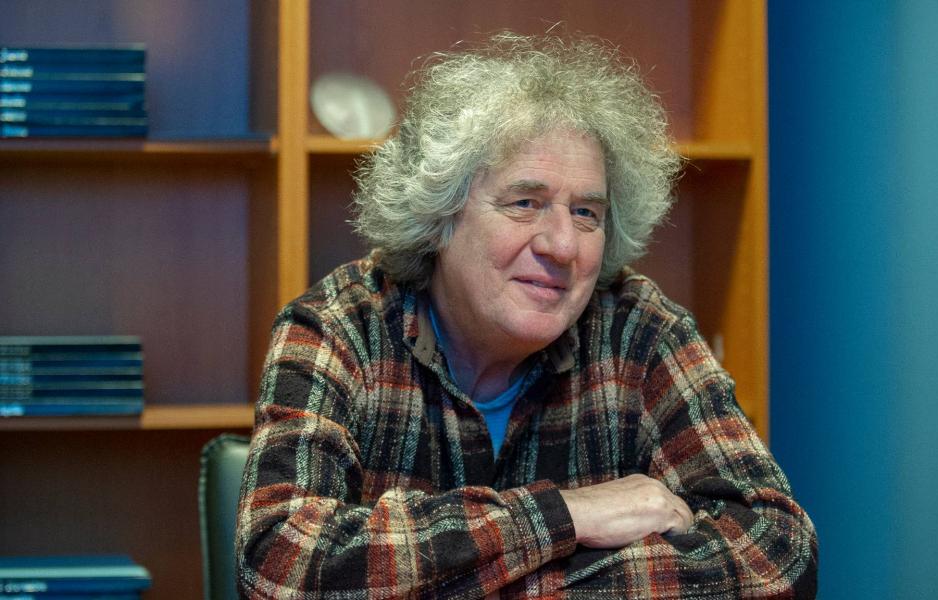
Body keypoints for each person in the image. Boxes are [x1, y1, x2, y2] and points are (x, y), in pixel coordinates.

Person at [235, 32, 817, 599]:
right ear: (440, 214)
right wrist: (567, 514)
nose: (563, 245)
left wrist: (476, 578)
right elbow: (280, 566)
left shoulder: (639, 331)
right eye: (525, 203)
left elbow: (779, 553)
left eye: (586, 213)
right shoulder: (339, 327)